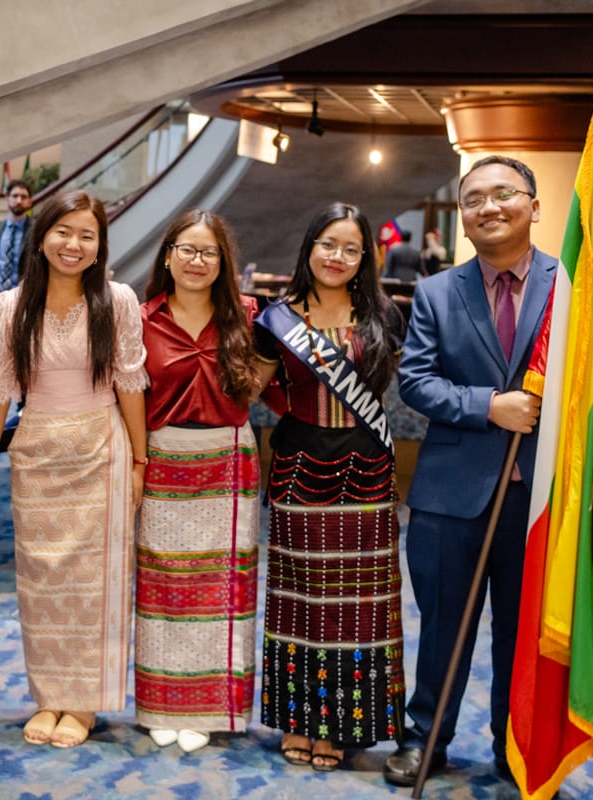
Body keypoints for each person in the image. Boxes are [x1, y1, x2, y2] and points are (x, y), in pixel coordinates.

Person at [385, 156, 554, 787]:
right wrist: (491, 406)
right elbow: (417, 383)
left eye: (503, 194)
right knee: (442, 628)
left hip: (538, 496)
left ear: (533, 206)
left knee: (522, 633)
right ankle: (425, 740)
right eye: (473, 199)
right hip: (450, 496)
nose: (488, 207)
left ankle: (514, 745)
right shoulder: (436, 292)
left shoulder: (570, 289)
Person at [0, 190, 148, 749]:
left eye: (87, 235)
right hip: (38, 452)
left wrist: (141, 459)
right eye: (63, 232)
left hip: (102, 446)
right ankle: (50, 695)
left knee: (93, 584)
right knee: (42, 580)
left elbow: (129, 382)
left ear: (100, 246)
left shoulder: (117, 300)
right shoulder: (9, 306)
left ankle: (84, 704)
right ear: (41, 236)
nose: (73, 244)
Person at [253, 202, 407, 772]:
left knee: (356, 604)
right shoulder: (277, 318)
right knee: (299, 598)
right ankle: (299, 720)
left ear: (364, 256)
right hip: (299, 465)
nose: (337, 257)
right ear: (309, 247)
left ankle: (342, 724)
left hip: (365, 468)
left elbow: (393, 384)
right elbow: (253, 385)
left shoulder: (384, 315)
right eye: (327, 244)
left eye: (350, 247)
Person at [135, 210, 260, 753]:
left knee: (220, 592)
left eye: (208, 252)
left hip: (229, 461)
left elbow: (274, 379)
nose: (196, 261)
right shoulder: (140, 320)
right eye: (187, 249)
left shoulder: (248, 316)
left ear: (222, 262)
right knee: (164, 590)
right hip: (164, 457)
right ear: (167, 255)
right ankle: (162, 703)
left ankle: (212, 708)